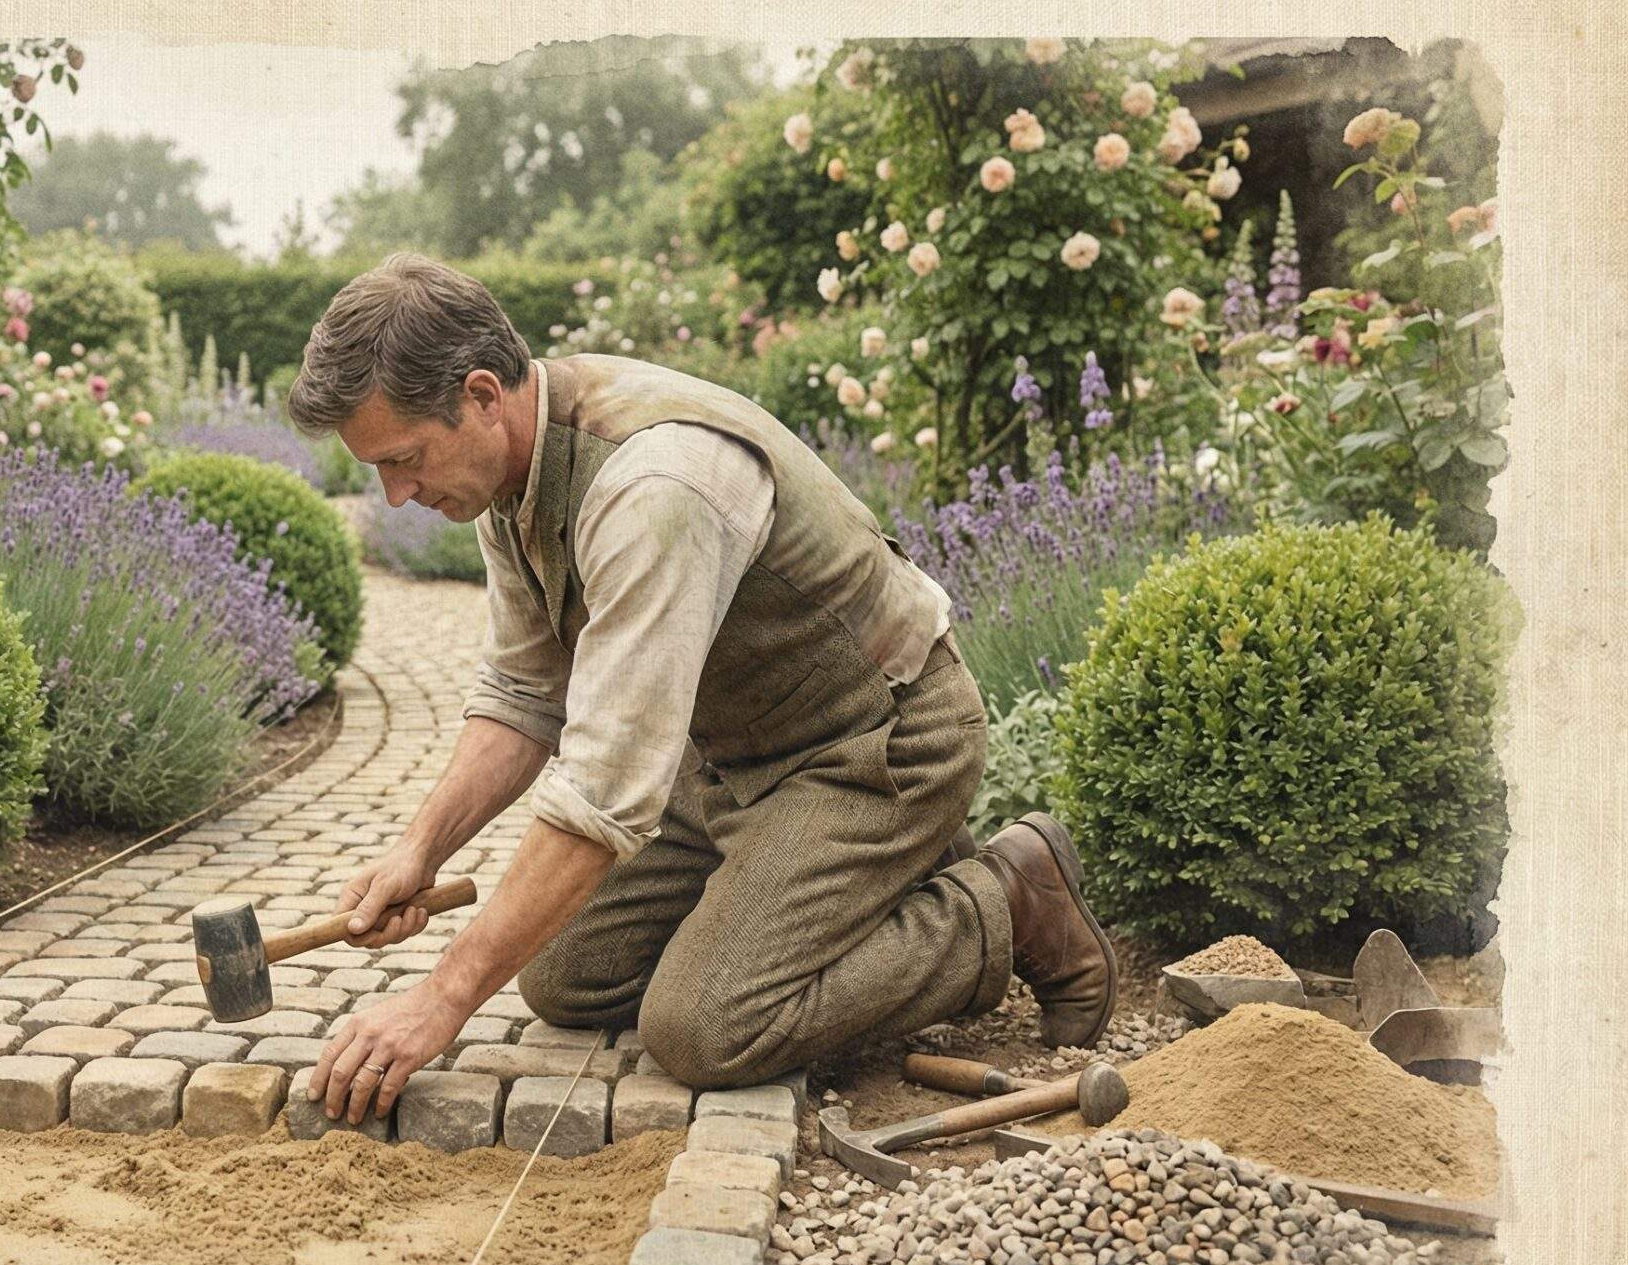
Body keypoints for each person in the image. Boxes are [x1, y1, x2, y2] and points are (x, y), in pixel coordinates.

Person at [279, 254, 1118, 1126]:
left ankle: (1008, 898)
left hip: (877, 741)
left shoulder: (652, 487)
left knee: (705, 1025)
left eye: (405, 458)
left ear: (484, 395)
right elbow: (526, 692)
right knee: (566, 974)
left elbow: (607, 787)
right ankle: (854, 885)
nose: (396, 494)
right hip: (735, 758)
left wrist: (440, 1000)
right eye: (379, 469)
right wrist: (420, 850)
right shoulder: (507, 477)